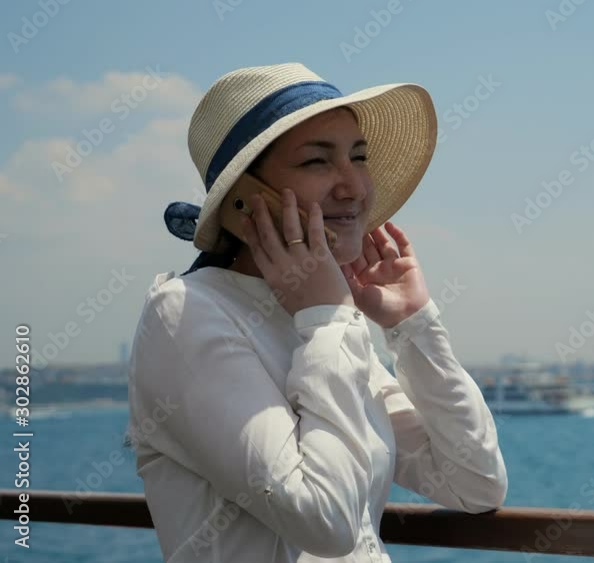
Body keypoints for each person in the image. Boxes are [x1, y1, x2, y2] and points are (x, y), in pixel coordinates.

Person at [126, 62, 507, 562]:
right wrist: (328, 318)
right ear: (245, 197)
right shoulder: (187, 313)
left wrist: (412, 325)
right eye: (316, 162)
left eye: (359, 157)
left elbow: (475, 483)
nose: (354, 187)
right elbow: (325, 522)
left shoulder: (320, 319)